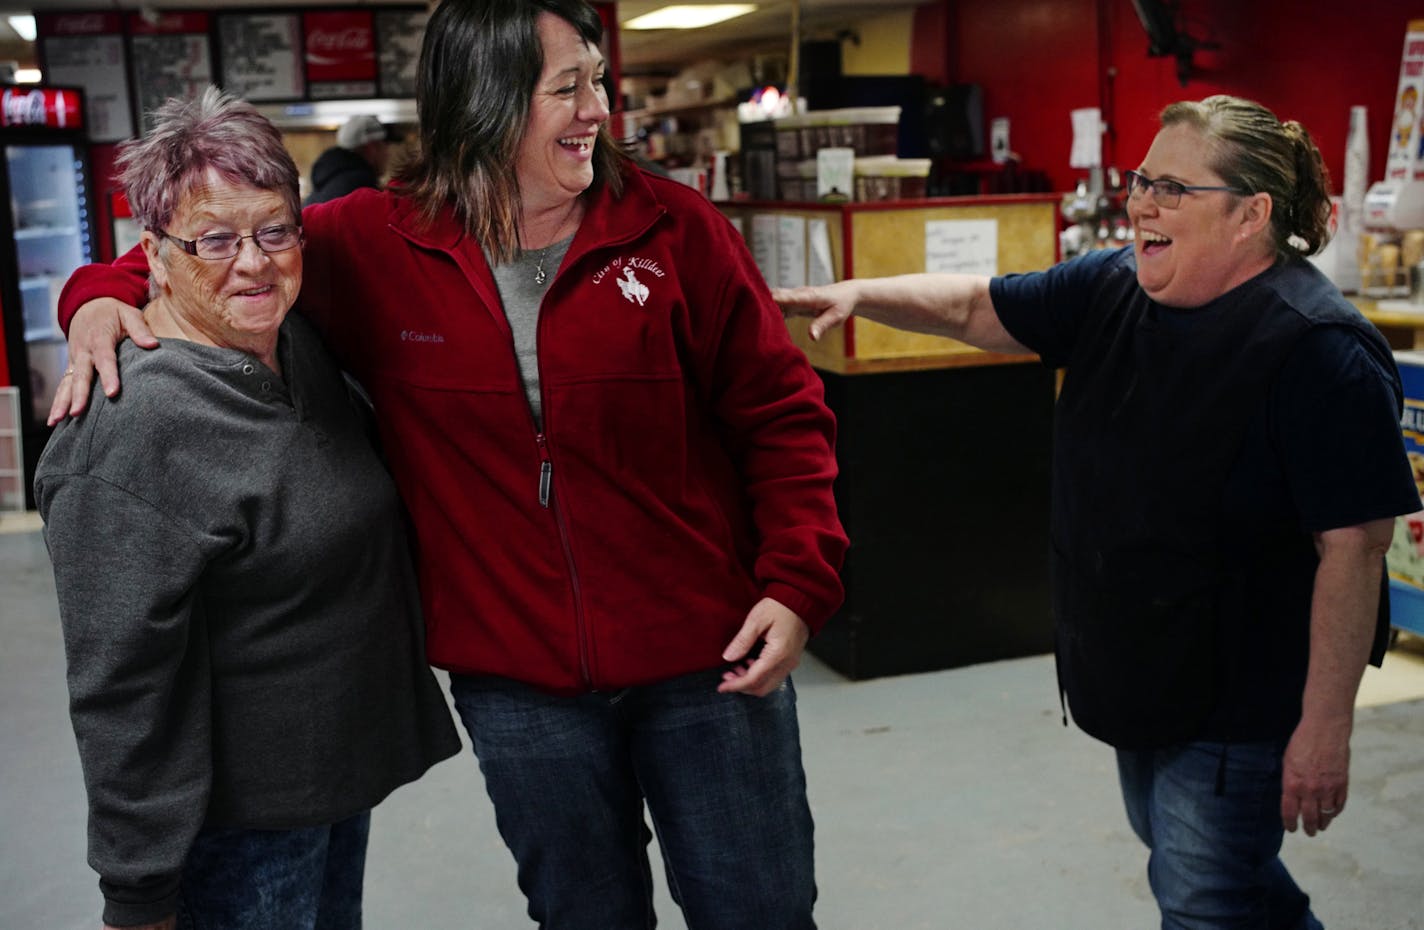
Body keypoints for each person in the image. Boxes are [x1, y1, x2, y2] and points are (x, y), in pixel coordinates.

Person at [53, 2, 848, 928]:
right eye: (567, 88)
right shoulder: (377, 243)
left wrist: (798, 582)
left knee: (762, 910)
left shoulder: (678, 232)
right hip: (519, 687)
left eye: (597, 79)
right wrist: (94, 302)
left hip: (711, 660)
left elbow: (782, 415)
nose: (597, 109)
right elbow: (215, 246)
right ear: (485, 102)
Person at [777, 95, 1419, 930]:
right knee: (1221, 873)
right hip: (1136, 672)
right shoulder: (1114, 287)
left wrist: (1325, 728)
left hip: (1239, 695)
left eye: (1172, 189)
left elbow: (1355, 549)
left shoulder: (1318, 351)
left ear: (1250, 215)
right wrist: (861, 292)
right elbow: (978, 305)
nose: (1141, 203)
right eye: (1141, 180)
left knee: (1203, 899)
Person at [35, 87, 460, 930]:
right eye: (215, 240)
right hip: (236, 830)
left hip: (329, 790)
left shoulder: (291, 341)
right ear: (153, 255)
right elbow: (123, 690)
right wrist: (140, 889)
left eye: (274, 231)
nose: (254, 262)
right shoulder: (132, 429)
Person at [304, 113, 398, 205]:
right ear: (371, 148)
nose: (388, 154)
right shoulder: (361, 185)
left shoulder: (327, 179)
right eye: (385, 146)